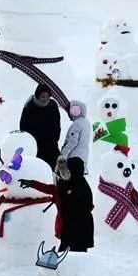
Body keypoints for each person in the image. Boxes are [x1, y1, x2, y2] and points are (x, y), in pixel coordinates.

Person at [55, 100, 94, 252]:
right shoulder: (87, 123)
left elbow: (72, 141)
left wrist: (62, 156)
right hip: (83, 157)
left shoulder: (77, 124)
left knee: (69, 184)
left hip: (73, 158)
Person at [19, 83, 61, 169]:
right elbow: (23, 127)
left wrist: (56, 136)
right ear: (37, 96)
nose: (45, 99)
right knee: (40, 171)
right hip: (37, 147)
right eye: (42, 96)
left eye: (47, 96)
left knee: (55, 170)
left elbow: (57, 123)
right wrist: (33, 140)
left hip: (52, 145)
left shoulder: (53, 105)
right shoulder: (29, 107)